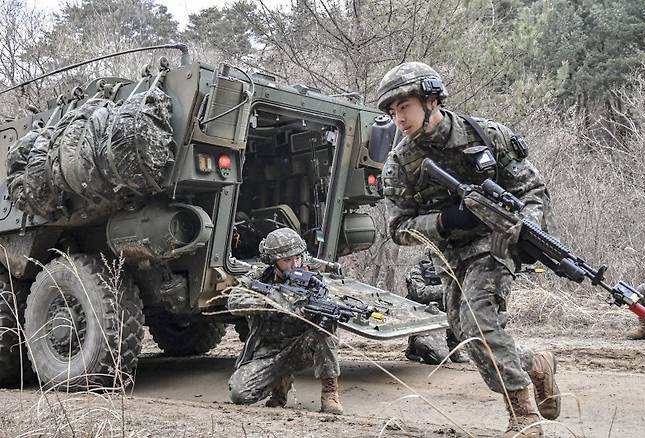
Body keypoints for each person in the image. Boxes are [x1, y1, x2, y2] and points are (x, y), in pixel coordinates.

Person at [378, 62, 560, 437]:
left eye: (405, 107)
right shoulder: (399, 164)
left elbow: (532, 190)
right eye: (393, 112)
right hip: (448, 253)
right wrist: (446, 221)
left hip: (494, 242)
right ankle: (535, 364)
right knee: (468, 335)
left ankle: (524, 418)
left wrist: (528, 225)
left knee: (479, 319)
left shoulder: (487, 135)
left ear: (431, 101)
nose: (399, 119)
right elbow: (399, 230)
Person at [227, 227, 343, 415]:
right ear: (273, 262)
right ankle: (281, 384)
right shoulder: (260, 276)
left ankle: (330, 392)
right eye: (287, 260)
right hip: (267, 350)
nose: (294, 264)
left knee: (328, 326)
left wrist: (309, 310)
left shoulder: (313, 280)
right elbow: (233, 300)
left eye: (297, 258)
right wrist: (272, 303)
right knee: (239, 394)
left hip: (300, 347)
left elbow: (327, 306)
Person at [405, 256, 469, 364]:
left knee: (465, 311)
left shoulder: (453, 268)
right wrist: (447, 287)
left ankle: (453, 349)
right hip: (425, 317)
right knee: (438, 358)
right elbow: (419, 293)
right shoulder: (419, 269)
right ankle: (413, 349)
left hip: (446, 315)